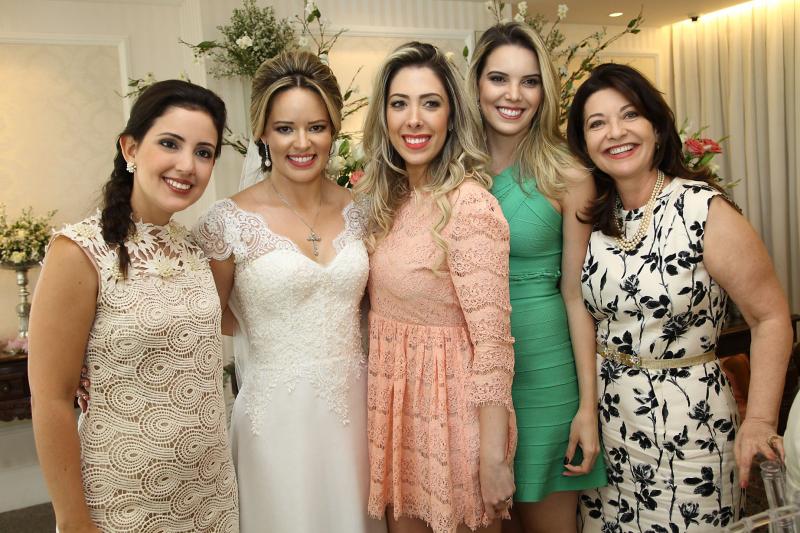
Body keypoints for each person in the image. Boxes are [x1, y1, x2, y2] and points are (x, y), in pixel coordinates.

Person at [565, 63, 793, 532]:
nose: (615, 132)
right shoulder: (594, 217)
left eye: (630, 115)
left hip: (690, 432)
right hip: (608, 432)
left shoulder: (704, 209)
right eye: (597, 123)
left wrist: (760, 419)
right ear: (584, 144)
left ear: (656, 125)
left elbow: (770, 317)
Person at [28, 80, 238, 532]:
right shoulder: (78, 252)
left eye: (203, 152)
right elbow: (50, 400)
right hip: (123, 498)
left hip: (212, 494)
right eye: (170, 143)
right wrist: (72, 519)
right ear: (130, 148)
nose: (187, 165)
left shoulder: (195, 248)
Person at [192, 50, 385, 533]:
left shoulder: (364, 212)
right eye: (285, 128)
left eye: (316, 127)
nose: (302, 143)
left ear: (334, 129)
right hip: (273, 420)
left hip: (357, 414)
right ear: (262, 132)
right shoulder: (226, 222)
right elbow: (205, 321)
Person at [355, 41, 516, 533]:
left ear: (451, 116)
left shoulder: (470, 206)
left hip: (453, 422)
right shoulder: (387, 200)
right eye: (399, 104)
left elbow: (493, 346)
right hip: (399, 415)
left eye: (430, 103)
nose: (414, 120)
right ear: (383, 117)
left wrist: (494, 458)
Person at [467, 22, 606, 533]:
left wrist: (587, 406)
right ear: (476, 84)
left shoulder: (569, 176)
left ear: (545, 91)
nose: (514, 95)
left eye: (529, 81)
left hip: (546, 372)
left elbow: (576, 297)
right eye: (498, 78)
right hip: (469, 372)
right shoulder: (453, 172)